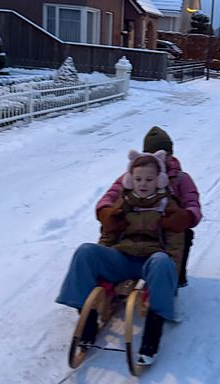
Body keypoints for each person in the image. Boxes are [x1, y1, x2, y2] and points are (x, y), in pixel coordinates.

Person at [56, 150, 188, 365]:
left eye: (149, 179)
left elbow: (175, 248)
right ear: (130, 179)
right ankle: (87, 320)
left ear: (159, 181)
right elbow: (108, 236)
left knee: (164, 262)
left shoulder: (170, 207)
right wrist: (100, 263)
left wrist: (167, 280)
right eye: (138, 179)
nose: (143, 184)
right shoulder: (122, 203)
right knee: (85, 251)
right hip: (122, 257)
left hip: (151, 261)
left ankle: (152, 336)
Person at [96, 126, 201, 287]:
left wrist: (186, 216)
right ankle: (111, 271)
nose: (163, 159)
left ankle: (175, 276)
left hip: (166, 227)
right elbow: (110, 196)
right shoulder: (135, 176)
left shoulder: (181, 178)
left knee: (183, 234)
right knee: (114, 224)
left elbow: (193, 203)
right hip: (137, 229)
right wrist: (106, 212)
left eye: (167, 154)